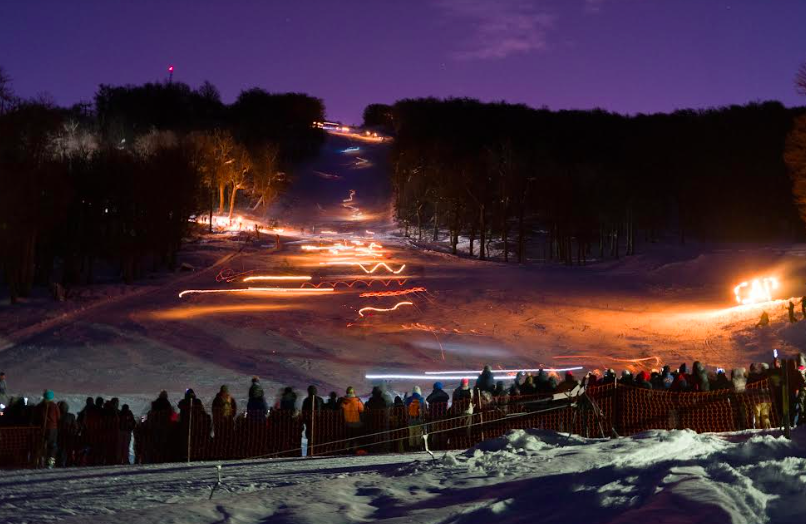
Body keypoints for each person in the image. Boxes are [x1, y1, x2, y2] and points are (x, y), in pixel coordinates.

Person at [36, 390, 60, 468]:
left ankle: (39, 462)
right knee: (52, 448)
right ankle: (51, 463)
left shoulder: (40, 406)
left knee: (41, 446)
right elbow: (58, 417)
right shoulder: (54, 406)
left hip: (42, 428)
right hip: (53, 429)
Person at [341, 387, 365, 451]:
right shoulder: (357, 400)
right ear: (354, 392)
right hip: (355, 421)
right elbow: (361, 409)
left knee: (348, 436)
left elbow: (341, 408)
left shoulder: (344, 401)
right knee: (355, 436)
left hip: (346, 422)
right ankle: (355, 448)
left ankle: (347, 449)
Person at [57, 401, 77, 467]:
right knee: (69, 451)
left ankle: (51, 464)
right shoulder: (71, 416)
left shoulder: (57, 416)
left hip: (59, 437)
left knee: (54, 452)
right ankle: (70, 463)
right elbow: (75, 427)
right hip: (69, 436)